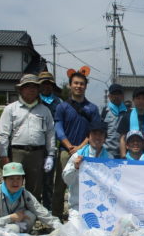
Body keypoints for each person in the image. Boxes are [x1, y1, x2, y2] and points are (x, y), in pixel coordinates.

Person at [0, 74, 56, 202]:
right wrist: (3, 155)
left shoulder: (45, 111)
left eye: (34, 87)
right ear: (21, 89)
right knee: (13, 184)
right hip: (16, 152)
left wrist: (50, 154)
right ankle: (12, 214)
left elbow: (50, 133)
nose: (31, 89)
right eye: (27, 86)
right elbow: (3, 134)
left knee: (35, 188)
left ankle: (30, 217)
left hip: (37, 153)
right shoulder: (10, 109)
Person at [53, 66, 100, 219]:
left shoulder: (92, 108)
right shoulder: (62, 106)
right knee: (60, 185)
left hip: (86, 152)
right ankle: (57, 217)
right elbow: (58, 127)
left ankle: (85, 214)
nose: (79, 86)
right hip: (66, 151)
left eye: (82, 83)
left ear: (86, 86)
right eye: (76, 83)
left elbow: (94, 130)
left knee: (86, 184)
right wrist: (69, 146)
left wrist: (80, 148)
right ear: (70, 85)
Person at [0, 162, 59, 233]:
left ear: (23, 179)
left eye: (18, 178)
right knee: (14, 228)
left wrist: (58, 226)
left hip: (15, 226)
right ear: (4, 179)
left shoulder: (24, 193)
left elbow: (40, 210)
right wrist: (11, 218)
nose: (15, 182)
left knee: (30, 215)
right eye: (11, 178)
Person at [62, 121, 112, 221]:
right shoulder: (77, 156)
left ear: (105, 138)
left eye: (101, 134)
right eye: (94, 134)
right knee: (76, 234)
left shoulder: (110, 159)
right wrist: (75, 168)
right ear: (88, 137)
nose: (97, 137)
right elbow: (67, 180)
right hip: (78, 207)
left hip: (102, 207)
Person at [38, 71, 63, 211]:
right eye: (43, 84)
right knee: (34, 179)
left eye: (49, 84)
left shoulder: (59, 103)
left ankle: (47, 207)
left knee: (48, 179)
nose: (46, 87)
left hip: (51, 145)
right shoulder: (35, 100)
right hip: (36, 143)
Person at [118, 87, 144, 157]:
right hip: (131, 156)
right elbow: (122, 138)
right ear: (133, 100)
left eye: (143, 98)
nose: (141, 101)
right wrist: (123, 156)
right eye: (138, 98)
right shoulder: (126, 117)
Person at [102, 83, 127, 159]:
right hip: (106, 153)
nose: (116, 96)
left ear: (122, 96)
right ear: (109, 96)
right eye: (114, 94)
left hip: (123, 153)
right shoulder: (104, 111)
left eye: (119, 94)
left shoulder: (127, 112)